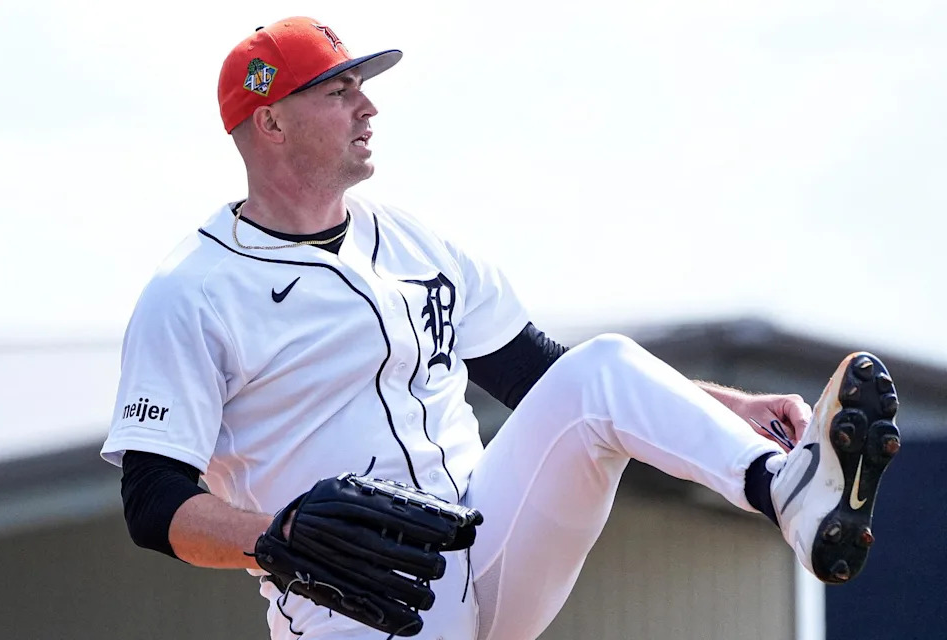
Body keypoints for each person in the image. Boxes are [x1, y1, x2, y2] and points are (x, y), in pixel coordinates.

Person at [101, 16, 901, 640]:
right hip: (354, 598)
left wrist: (725, 407)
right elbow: (154, 501)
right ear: (270, 123)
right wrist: (278, 538)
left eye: (360, 87)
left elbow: (538, 373)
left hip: (486, 538)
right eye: (338, 90)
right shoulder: (193, 290)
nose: (368, 106)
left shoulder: (414, 241)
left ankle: (784, 487)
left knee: (600, 369)